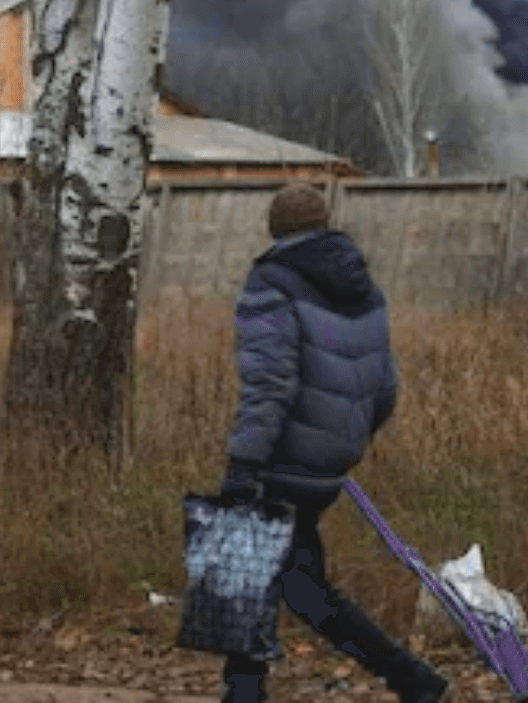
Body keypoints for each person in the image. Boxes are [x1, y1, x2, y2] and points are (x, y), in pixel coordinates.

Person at [217, 183, 453, 703]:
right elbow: (384, 386)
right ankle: (410, 680)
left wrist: (243, 461)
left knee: (256, 571)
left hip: (279, 461)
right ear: (324, 224)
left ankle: (249, 691)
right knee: (290, 581)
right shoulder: (364, 287)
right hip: (328, 464)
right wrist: (345, 439)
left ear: (275, 230)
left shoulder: (270, 282)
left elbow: (269, 384)